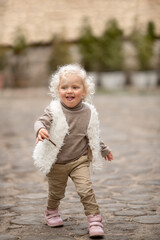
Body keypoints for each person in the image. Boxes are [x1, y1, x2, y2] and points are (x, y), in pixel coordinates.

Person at [33, 64, 113, 238]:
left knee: (86, 189)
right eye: (64, 87)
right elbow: (40, 121)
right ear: (57, 90)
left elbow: (92, 135)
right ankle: (51, 212)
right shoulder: (53, 109)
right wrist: (40, 130)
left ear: (84, 91)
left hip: (79, 160)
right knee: (56, 192)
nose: (69, 91)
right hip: (57, 162)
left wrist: (104, 150)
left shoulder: (89, 112)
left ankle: (94, 220)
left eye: (75, 87)